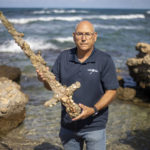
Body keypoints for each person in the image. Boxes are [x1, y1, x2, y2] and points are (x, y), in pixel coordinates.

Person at [37, 20, 119, 150]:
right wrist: (44, 79)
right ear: (74, 36)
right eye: (80, 34)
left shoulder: (104, 60)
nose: (83, 38)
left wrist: (93, 110)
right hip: (68, 126)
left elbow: (112, 91)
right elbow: (52, 87)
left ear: (95, 36)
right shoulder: (63, 57)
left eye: (87, 34)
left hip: (94, 126)